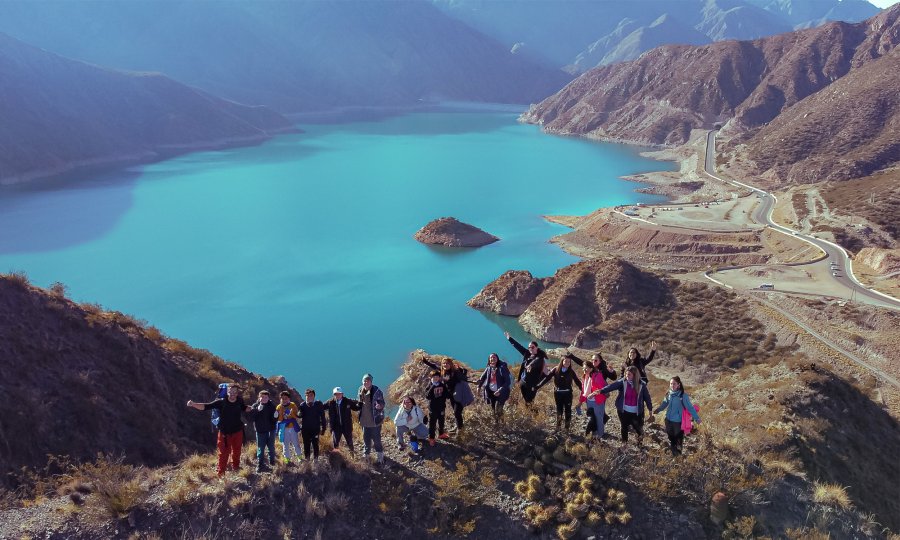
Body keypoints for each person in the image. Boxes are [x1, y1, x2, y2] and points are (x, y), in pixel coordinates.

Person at [187, 383, 252, 477]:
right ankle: (221, 473)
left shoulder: (239, 400)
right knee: (223, 453)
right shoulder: (221, 402)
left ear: (237, 393)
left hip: (238, 431)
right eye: (231, 391)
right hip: (224, 433)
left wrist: (248, 408)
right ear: (227, 392)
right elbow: (206, 406)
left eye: (235, 392)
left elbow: (243, 407)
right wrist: (193, 404)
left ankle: (236, 467)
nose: (233, 393)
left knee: (237, 451)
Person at [599, 366, 653, 446]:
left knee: (639, 430)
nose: (627, 376)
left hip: (637, 412)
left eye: (629, 375)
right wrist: (600, 391)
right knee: (624, 427)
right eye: (626, 374)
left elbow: (647, 398)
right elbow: (611, 386)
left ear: (635, 375)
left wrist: (650, 410)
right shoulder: (622, 382)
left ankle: (639, 445)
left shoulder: (642, 385)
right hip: (623, 411)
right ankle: (624, 444)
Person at [653, 376, 701, 456]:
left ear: (678, 385)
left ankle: (678, 456)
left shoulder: (683, 396)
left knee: (678, 439)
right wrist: (659, 409)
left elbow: (690, 408)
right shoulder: (669, 393)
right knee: (671, 437)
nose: (672, 385)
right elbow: (665, 403)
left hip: (678, 422)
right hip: (668, 420)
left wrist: (697, 418)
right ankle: (674, 452)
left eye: (674, 384)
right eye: (671, 384)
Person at [421, 357, 469, 432]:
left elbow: (464, 374)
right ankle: (459, 427)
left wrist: (460, 369)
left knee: (457, 412)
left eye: (447, 363)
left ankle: (460, 429)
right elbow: (434, 366)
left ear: (450, 364)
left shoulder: (455, 371)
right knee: (456, 412)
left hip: (459, 394)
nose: (445, 365)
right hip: (451, 396)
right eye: (444, 363)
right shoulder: (442, 371)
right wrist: (425, 361)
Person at [537, 355, 582, 432]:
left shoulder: (571, 371)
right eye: (565, 361)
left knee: (568, 410)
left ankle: (567, 428)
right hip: (558, 394)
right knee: (559, 410)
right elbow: (547, 378)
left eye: (569, 362)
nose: (567, 363)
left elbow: (577, 381)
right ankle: (558, 426)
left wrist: (583, 389)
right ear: (562, 361)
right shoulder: (556, 369)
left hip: (568, 393)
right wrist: (539, 385)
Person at [504, 331, 547, 404]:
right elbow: (519, 347)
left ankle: (533, 414)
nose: (530, 349)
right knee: (526, 400)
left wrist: (530, 365)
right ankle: (529, 413)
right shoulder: (527, 353)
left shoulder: (540, 357)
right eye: (529, 347)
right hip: (523, 382)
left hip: (532, 384)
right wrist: (510, 339)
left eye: (532, 347)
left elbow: (536, 361)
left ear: (536, 347)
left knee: (530, 401)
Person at [578, 361, 611, 440]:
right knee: (593, 418)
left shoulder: (597, 376)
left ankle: (600, 435)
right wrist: (580, 402)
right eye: (583, 368)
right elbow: (583, 391)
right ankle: (594, 432)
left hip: (598, 400)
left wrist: (593, 394)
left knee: (599, 418)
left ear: (591, 368)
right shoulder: (585, 377)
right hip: (589, 401)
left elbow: (601, 389)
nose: (585, 370)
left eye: (586, 368)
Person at [358, 373, 386, 463]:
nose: (366, 382)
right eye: (364, 380)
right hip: (364, 420)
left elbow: (382, 403)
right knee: (366, 438)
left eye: (368, 380)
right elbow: (359, 402)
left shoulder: (377, 391)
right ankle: (366, 455)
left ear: (371, 381)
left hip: (375, 420)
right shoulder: (360, 389)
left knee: (376, 439)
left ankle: (380, 455)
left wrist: (380, 406)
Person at [476, 353, 512, 421]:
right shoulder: (489, 368)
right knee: (493, 409)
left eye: (494, 357)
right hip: (491, 392)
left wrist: (499, 391)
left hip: (501, 393)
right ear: (489, 360)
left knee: (498, 409)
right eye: (491, 358)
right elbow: (482, 378)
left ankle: (501, 424)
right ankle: (496, 423)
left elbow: (507, 382)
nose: (492, 359)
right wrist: (479, 386)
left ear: (497, 359)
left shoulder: (502, 368)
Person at [248, 390, 278, 472]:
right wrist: (257, 410)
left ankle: (272, 462)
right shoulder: (255, 406)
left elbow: (274, 419)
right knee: (261, 449)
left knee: (271, 448)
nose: (264, 398)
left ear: (268, 398)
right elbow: (251, 418)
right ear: (259, 397)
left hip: (271, 430)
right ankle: (260, 464)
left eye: (266, 397)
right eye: (262, 397)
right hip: (260, 431)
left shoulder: (271, 405)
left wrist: (275, 417)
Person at [325, 387, 361, 452]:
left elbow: (355, 408)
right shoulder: (330, 402)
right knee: (335, 442)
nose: (338, 395)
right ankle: (337, 457)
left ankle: (352, 454)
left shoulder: (347, 401)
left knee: (349, 441)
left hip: (347, 426)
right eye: (336, 394)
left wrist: (361, 405)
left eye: (339, 394)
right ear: (334, 394)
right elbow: (322, 407)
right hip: (336, 426)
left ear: (342, 394)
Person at [298, 388, 326, 461]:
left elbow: (323, 417)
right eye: (307, 395)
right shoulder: (302, 405)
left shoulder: (318, 404)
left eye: (311, 395)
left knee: (315, 445)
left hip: (315, 429)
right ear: (305, 396)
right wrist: (299, 414)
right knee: (306, 445)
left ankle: (316, 460)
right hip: (305, 430)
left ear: (314, 396)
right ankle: (307, 460)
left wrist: (323, 428)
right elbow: (299, 414)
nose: (309, 397)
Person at [275, 391, 302, 464]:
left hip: (292, 427)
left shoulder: (293, 405)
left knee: (296, 443)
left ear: (289, 399)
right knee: (285, 444)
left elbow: (297, 415)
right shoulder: (279, 407)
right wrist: (281, 414)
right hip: (284, 429)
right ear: (280, 399)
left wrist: (290, 414)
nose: (284, 400)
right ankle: (287, 459)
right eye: (282, 398)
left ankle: (299, 457)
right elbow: (278, 419)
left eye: (286, 398)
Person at [425, 370, 449, 445]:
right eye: (434, 377)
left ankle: (441, 434)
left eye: (437, 377)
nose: (435, 378)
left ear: (439, 377)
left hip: (441, 407)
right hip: (433, 408)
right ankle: (431, 438)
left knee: (441, 422)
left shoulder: (442, 385)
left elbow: (447, 395)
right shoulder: (429, 385)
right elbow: (427, 396)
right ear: (431, 378)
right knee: (432, 424)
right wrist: (433, 386)